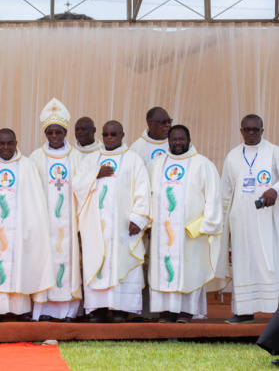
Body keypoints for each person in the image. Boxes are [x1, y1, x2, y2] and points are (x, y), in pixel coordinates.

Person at [0, 128, 53, 323]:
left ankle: (20, 310)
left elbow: (35, 201)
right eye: (2, 143)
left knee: (20, 266)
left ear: (16, 144)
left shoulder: (27, 167)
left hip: (20, 232)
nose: (6, 147)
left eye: (10, 143)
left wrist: (31, 228)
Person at [73, 120, 151, 323]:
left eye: (113, 134)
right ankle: (97, 309)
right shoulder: (91, 161)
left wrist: (138, 218)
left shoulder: (133, 160)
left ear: (122, 135)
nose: (109, 138)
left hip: (123, 227)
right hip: (96, 227)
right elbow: (77, 184)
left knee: (123, 262)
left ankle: (121, 309)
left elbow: (143, 190)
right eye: (106, 134)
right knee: (96, 262)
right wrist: (95, 175)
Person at [147, 125, 227, 323]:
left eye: (181, 139)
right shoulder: (156, 164)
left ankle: (186, 312)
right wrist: (148, 223)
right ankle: (166, 311)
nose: (178, 143)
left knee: (190, 270)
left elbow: (213, 198)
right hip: (162, 231)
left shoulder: (203, 164)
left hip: (191, 232)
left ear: (189, 140)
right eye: (174, 139)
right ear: (168, 141)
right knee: (164, 268)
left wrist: (207, 225)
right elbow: (147, 194)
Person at [221, 114, 279, 324]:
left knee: (270, 262)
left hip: (267, 221)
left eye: (256, 129)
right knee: (243, 263)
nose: (252, 133)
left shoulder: (273, 152)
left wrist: (274, 189)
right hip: (241, 221)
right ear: (241, 131)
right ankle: (244, 312)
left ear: (263, 131)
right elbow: (225, 192)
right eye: (247, 129)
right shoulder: (233, 156)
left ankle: (275, 314)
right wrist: (223, 225)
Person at [30, 99, 83, 322]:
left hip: (69, 222)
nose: (54, 136)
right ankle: (44, 311)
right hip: (45, 224)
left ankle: (68, 311)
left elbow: (84, 187)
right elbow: (31, 191)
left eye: (58, 131)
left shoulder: (77, 157)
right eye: (50, 132)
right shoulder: (35, 157)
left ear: (65, 131)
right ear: (45, 133)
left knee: (68, 263)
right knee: (46, 261)